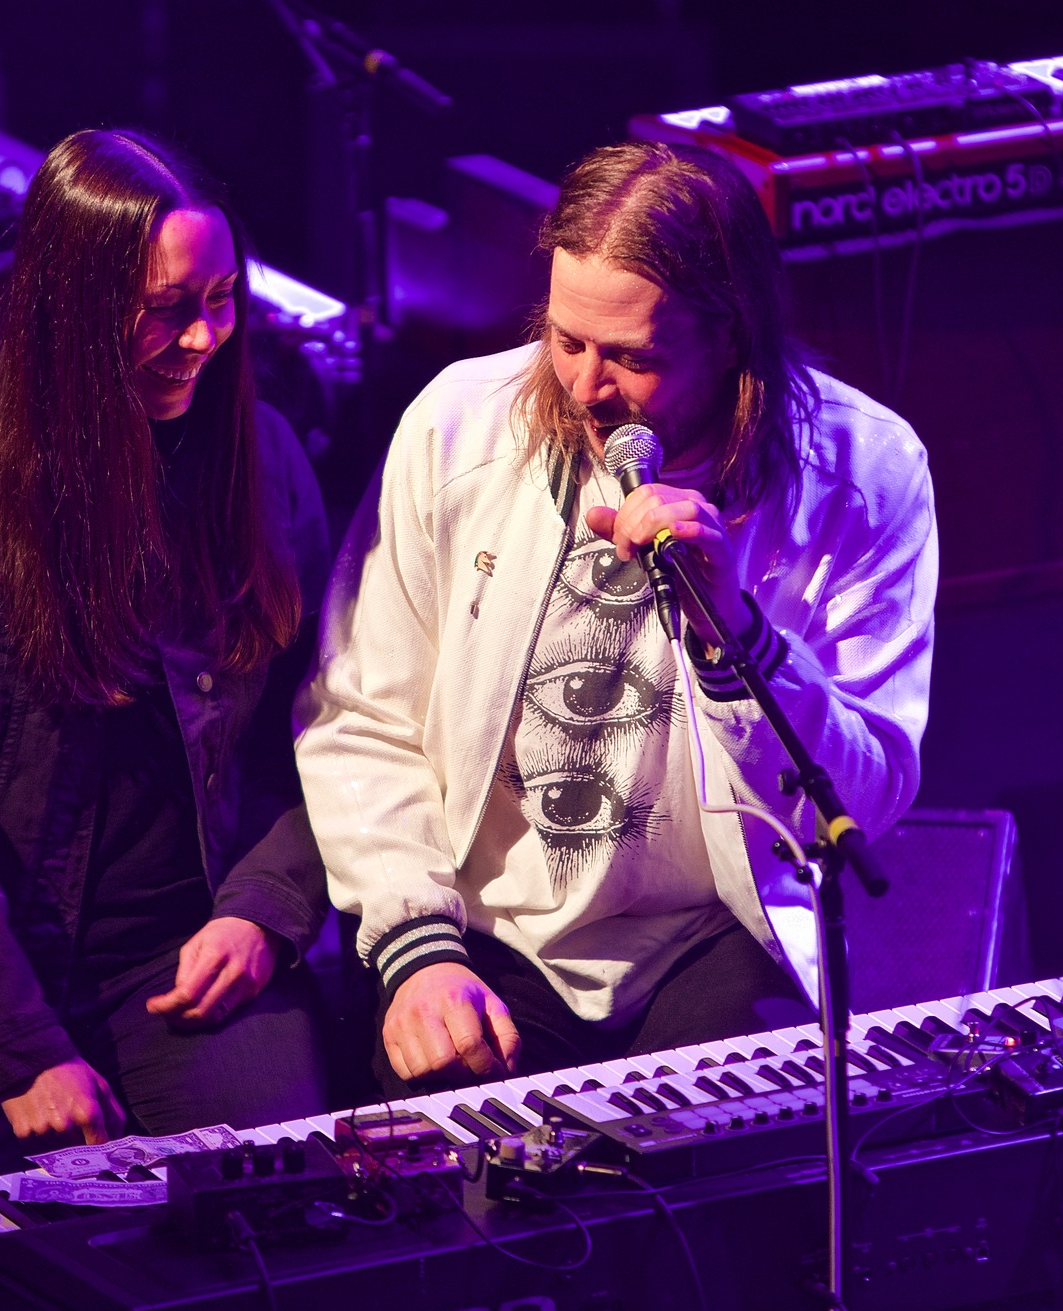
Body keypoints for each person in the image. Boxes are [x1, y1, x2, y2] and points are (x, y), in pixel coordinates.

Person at [296, 140, 937, 1094]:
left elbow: (866, 792)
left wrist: (740, 639)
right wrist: (419, 951)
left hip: (719, 934)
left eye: (634, 358)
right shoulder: (457, 427)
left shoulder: (866, 474)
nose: (586, 387)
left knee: (712, 1201)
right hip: (487, 941)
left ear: (732, 339)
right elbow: (362, 716)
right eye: (565, 340)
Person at [0, 129, 330, 1190]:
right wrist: (21, 1046)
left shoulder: (263, 458)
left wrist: (267, 908)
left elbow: (332, 733)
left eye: (222, 298)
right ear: (66, 305)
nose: (204, 337)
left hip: (183, 951)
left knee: (277, 1216)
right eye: (166, 308)